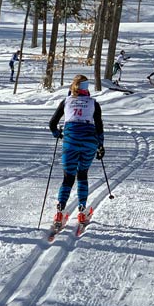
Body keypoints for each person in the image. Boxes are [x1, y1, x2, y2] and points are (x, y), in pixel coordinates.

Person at [48, 74, 105, 231]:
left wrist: (58, 134)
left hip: (70, 141)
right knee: (82, 174)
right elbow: (99, 126)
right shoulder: (94, 103)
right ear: (87, 88)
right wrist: (100, 146)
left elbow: (52, 123)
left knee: (68, 177)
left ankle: (60, 212)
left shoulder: (65, 101)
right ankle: (81, 210)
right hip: (89, 142)